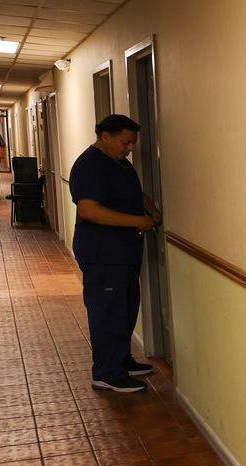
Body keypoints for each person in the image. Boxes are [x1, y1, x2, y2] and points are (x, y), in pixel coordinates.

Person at [69, 113, 161, 393]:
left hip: (123, 254)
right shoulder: (89, 166)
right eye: (125, 142)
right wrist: (137, 221)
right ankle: (106, 373)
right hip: (103, 254)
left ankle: (121, 360)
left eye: (132, 143)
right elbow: (89, 211)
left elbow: (133, 193)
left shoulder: (119, 162)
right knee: (107, 312)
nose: (130, 148)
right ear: (105, 136)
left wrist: (151, 209)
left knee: (126, 309)